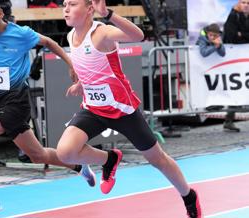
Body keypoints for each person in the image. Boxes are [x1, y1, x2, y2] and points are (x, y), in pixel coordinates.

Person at [57, 1, 202, 218]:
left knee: (158, 160)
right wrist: (81, 84)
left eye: (72, 4)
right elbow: (90, 67)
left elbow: (138, 35)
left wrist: (108, 14)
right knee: (65, 152)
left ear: (89, 9)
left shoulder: (102, 33)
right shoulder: (70, 37)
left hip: (122, 110)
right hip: (93, 109)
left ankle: (189, 196)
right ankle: (109, 159)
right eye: (65, 4)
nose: (66, 8)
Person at [0, 0, 96, 217]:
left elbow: (49, 42)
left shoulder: (20, 34)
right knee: (37, 155)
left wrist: (71, 64)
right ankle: (79, 165)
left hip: (16, 101)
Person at [196, 23, 240, 132]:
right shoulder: (202, 39)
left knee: (230, 93)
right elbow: (203, 53)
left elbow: (223, 53)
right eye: (211, 35)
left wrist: (219, 45)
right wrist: (215, 46)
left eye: (215, 36)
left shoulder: (218, 38)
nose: (212, 38)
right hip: (204, 72)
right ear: (207, 34)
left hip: (218, 71)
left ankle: (229, 120)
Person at [221, 0, 249, 132]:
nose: (246, 5)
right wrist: (242, 36)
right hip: (236, 58)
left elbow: (242, 35)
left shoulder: (245, 17)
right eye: (243, 2)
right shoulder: (233, 16)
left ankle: (229, 119)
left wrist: (241, 35)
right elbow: (230, 35)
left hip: (243, 57)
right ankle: (229, 119)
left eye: (248, 2)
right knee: (237, 89)